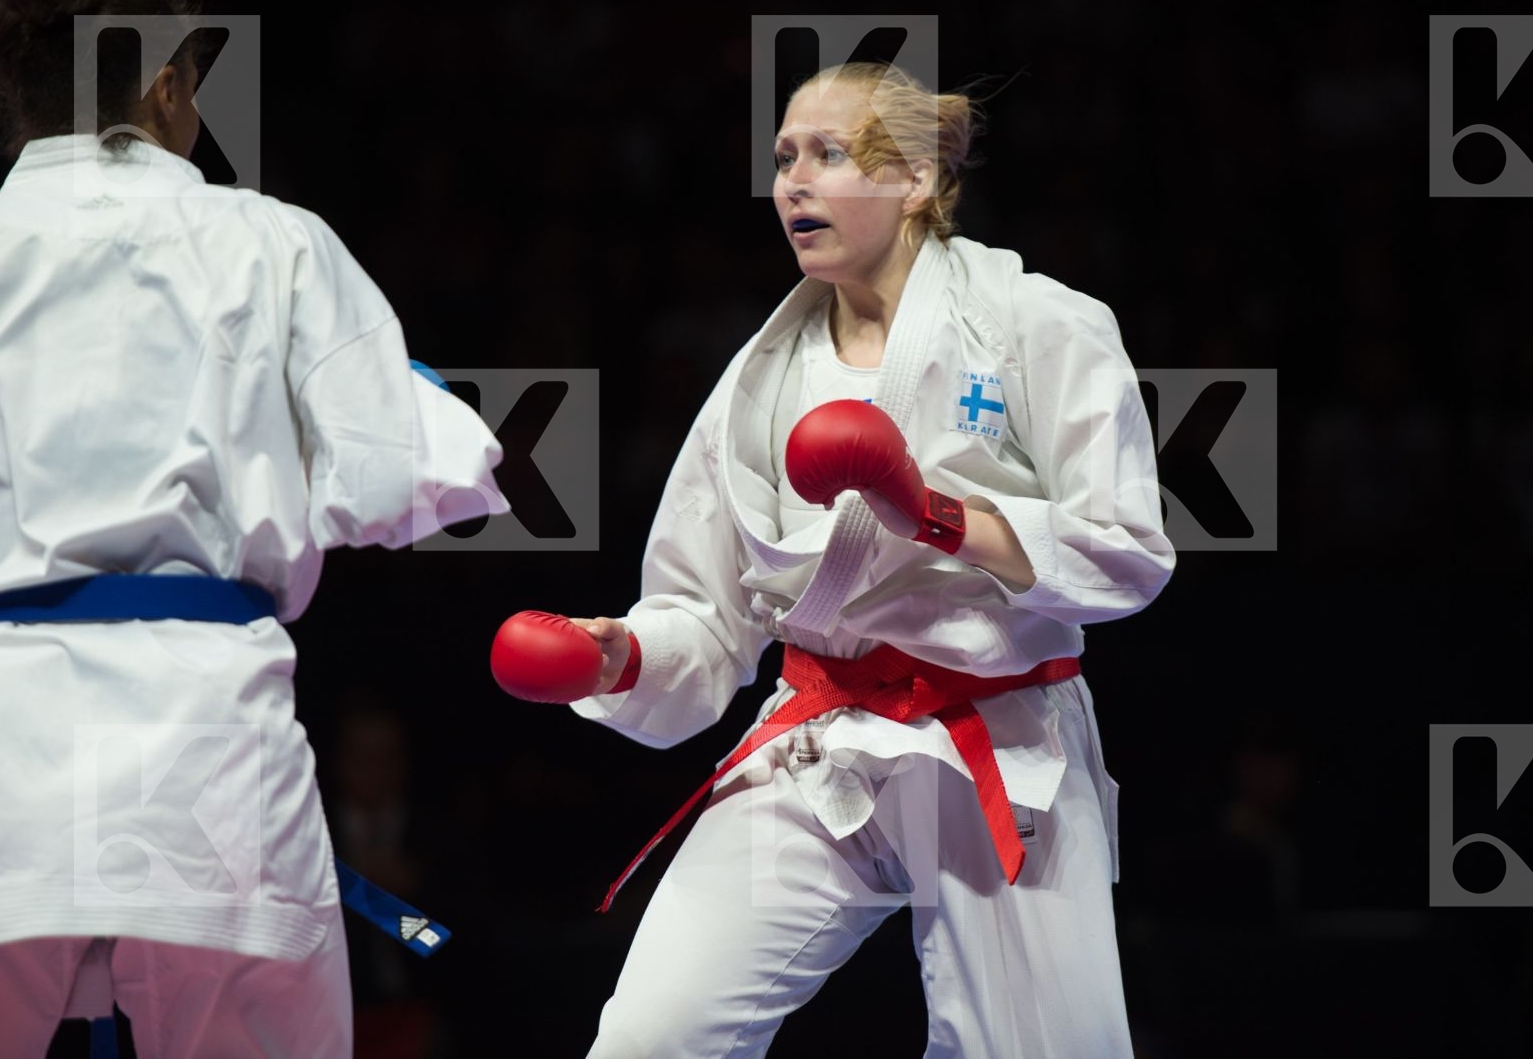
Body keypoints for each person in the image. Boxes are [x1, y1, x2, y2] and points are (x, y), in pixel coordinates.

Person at [491, 60, 1174, 1056]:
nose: (792, 183)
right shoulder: (760, 378)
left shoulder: (1040, 322)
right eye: (781, 160)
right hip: (821, 740)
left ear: (915, 180)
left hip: (996, 733)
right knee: (651, 1036)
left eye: (827, 153)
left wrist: (934, 511)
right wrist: (616, 656)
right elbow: (708, 612)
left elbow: (1128, 556)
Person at [0, 0, 507, 1058]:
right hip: (205, 764)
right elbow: (402, 481)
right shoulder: (270, 241)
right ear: (166, 86)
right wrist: (412, 401)